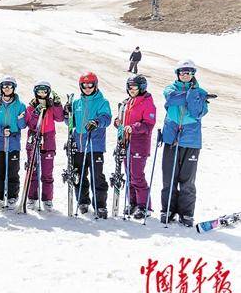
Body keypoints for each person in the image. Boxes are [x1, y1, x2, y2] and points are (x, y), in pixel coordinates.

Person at [160, 60, 209, 227]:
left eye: (188, 72)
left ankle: (186, 213)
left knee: (187, 180)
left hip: (191, 140)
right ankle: (167, 209)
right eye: (182, 72)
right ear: (178, 74)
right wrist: (193, 95)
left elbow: (198, 112)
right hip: (171, 138)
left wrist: (194, 96)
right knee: (169, 177)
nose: (185, 75)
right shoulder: (170, 88)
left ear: (193, 74)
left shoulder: (200, 92)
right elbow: (171, 99)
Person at [68, 72, 111, 218]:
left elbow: (106, 118)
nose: (87, 88)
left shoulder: (102, 102)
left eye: (90, 84)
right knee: (79, 175)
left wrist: (97, 122)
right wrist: (67, 114)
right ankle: (82, 200)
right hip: (79, 145)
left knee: (97, 176)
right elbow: (70, 123)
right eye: (84, 85)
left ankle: (100, 205)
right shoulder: (76, 103)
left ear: (95, 85)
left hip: (95, 145)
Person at [113, 75, 156, 219]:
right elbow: (124, 121)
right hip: (126, 143)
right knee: (129, 175)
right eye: (129, 87)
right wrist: (119, 122)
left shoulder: (148, 103)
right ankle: (132, 203)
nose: (132, 90)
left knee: (137, 176)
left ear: (142, 87)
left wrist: (133, 128)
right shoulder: (127, 102)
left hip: (139, 144)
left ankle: (144, 206)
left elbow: (148, 124)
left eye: (135, 87)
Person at [24, 81, 64, 210]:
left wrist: (57, 104)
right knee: (32, 170)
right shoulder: (31, 106)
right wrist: (36, 113)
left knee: (47, 172)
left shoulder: (51, 106)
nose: (42, 94)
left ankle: (47, 199)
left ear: (48, 92)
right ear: (35, 92)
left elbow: (60, 118)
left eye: (44, 91)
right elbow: (30, 124)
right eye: (39, 91)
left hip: (48, 141)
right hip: (34, 140)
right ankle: (32, 197)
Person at [0, 76, 27, 208]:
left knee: (13, 171)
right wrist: (1, 131)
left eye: (10, 86)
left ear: (13, 88)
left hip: (13, 144)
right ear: (1, 88)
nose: (7, 88)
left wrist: (20, 120)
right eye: (4, 86)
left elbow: (22, 126)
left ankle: (12, 196)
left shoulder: (20, 105)